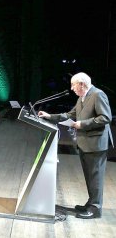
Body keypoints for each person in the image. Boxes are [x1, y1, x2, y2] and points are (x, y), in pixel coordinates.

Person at [38, 72, 113, 219]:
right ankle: (91, 203)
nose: (72, 88)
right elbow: (70, 115)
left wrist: (82, 124)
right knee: (90, 177)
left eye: (73, 85)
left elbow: (105, 117)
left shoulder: (98, 95)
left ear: (82, 84)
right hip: (85, 143)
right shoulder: (82, 97)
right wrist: (49, 116)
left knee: (95, 178)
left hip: (96, 144)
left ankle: (96, 209)